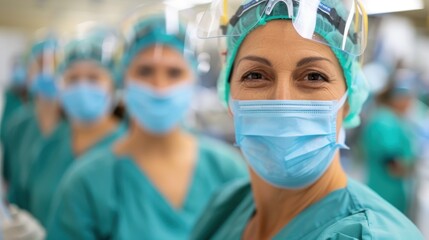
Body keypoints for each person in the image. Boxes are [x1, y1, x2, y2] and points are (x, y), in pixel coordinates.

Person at [191, 0, 424, 239]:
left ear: (349, 99)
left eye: (314, 76)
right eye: (255, 75)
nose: (282, 101)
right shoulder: (226, 209)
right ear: (228, 94)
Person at [47, 8, 247, 240]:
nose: (159, 85)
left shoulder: (227, 171)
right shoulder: (88, 183)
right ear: (123, 79)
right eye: (145, 71)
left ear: (193, 78)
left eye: (174, 72)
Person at [25, 27, 127, 227]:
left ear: (113, 84)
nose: (82, 86)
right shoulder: (50, 146)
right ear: (60, 85)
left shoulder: (129, 149)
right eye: (72, 78)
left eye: (93, 78)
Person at [3, 35, 64, 209]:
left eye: (54, 65)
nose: (48, 71)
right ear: (28, 70)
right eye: (40, 64)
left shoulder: (75, 125)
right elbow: (9, 178)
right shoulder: (17, 125)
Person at [362, 69, 418, 215]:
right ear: (397, 98)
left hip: (387, 193)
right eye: (408, 98)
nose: (410, 103)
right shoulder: (385, 121)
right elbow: (393, 165)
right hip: (386, 195)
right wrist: (414, 167)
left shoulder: (390, 119)